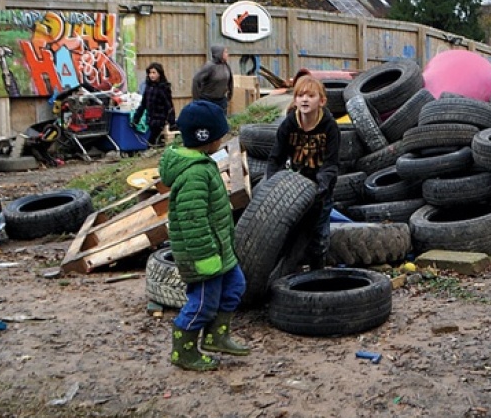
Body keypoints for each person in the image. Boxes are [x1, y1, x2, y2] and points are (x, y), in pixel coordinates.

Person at [159, 99, 250, 371]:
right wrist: (205, 256)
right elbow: (192, 220)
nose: (223, 138)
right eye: (219, 134)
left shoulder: (203, 163)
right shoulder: (194, 174)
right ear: (205, 137)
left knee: (235, 286)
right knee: (201, 304)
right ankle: (184, 352)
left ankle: (216, 337)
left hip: (219, 250)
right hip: (204, 254)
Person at [266, 75, 340, 270]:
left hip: (322, 191)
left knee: (319, 238)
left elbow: (331, 163)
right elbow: (276, 158)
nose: (304, 99)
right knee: (291, 234)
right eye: (300, 95)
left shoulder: (330, 127)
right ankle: (291, 273)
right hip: (296, 187)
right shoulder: (288, 125)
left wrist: (322, 184)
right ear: (295, 100)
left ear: (321, 101)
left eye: (310, 95)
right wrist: (272, 185)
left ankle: (318, 274)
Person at [132, 62, 177, 146]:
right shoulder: (148, 87)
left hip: (160, 120)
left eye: (154, 73)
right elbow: (143, 105)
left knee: (151, 142)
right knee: (157, 142)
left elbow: (169, 106)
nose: (151, 75)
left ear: (159, 74)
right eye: (150, 73)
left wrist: (172, 123)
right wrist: (136, 118)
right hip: (151, 120)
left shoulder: (163, 88)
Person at [192, 45, 234, 112]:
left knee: (221, 121)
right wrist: (197, 101)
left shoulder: (226, 66)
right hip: (208, 101)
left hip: (221, 101)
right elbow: (196, 80)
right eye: (225, 52)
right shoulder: (209, 66)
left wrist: (230, 93)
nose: (227, 54)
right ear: (219, 53)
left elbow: (230, 80)